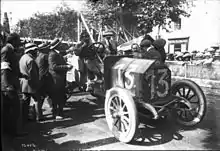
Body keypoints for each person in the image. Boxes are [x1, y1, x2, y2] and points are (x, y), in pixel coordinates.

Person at [1, 32, 27, 137]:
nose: (19, 43)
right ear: (14, 41)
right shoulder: (7, 50)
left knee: (9, 110)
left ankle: (10, 131)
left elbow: (12, 68)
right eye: (18, 41)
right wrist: (7, 85)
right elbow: (4, 69)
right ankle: (13, 132)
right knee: (15, 109)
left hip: (9, 84)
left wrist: (21, 75)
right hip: (8, 86)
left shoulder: (9, 49)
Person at [48, 38, 73, 120]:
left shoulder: (57, 53)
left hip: (59, 78)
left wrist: (66, 65)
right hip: (56, 79)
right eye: (60, 44)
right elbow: (54, 67)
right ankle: (56, 113)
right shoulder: (52, 54)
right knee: (56, 96)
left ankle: (59, 112)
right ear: (57, 46)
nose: (62, 45)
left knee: (60, 95)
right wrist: (66, 67)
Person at [19, 43, 41, 123]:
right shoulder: (30, 60)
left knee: (25, 102)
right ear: (30, 51)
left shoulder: (23, 58)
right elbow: (33, 74)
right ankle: (39, 117)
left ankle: (24, 118)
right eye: (35, 50)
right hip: (31, 84)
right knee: (37, 99)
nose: (36, 52)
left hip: (23, 83)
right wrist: (37, 84)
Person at [35, 42, 53, 119]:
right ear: (44, 49)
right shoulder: (45, 56)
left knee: (42, 96)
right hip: (44, 78)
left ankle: (39, 114)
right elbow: (52, 62)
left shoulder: (38, 56)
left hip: (39, 78)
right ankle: (40, 114)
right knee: (47, 94)